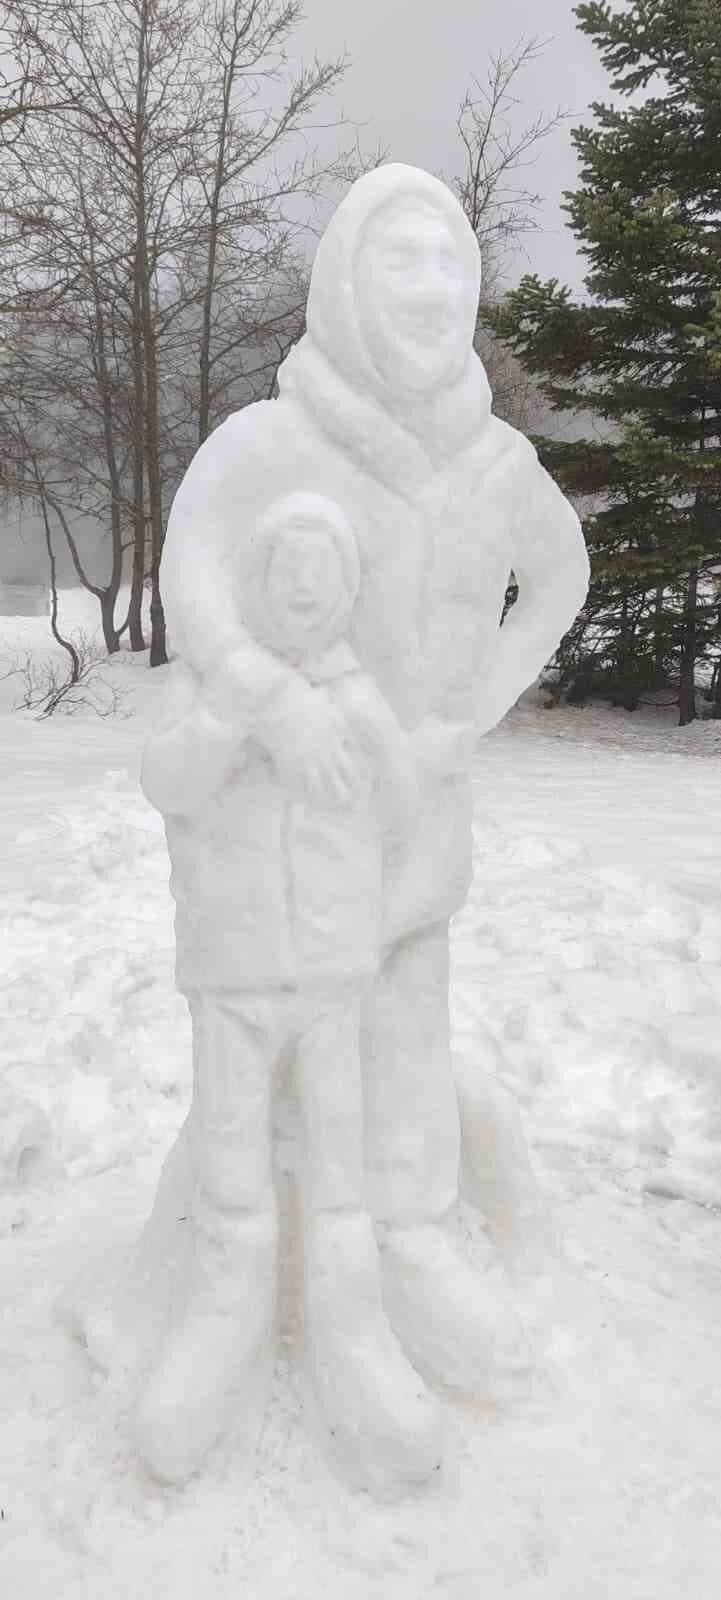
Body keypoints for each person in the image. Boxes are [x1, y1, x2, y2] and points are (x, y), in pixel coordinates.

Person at [102, 164, 587, 1494]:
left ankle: (410, 1241)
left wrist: (468, 714)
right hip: (273, 852)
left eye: (449, 262)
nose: (430, 290)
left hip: (409, 825)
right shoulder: (271, 442)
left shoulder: (492, 465)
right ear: (343, 280)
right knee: (266, 1075)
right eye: (399, 261)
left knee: (404, 1037)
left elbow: (560, 574)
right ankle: (238, 1273)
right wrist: (264, 696)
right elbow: (198, 577)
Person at [135, 491, 447, 1491]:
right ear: (255, 584)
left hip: (328, 976)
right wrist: (246, 710)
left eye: (325, 572)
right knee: (231, 1160)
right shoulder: (207, 686)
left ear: (350, 590)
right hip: (229, 972)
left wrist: (349, 728)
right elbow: (169, 778)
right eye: (286, 570)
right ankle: (219, 1323)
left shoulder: (357, 696)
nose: (305, 589)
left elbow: (403, 808)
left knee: (339, 1158)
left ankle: (348, 1330)